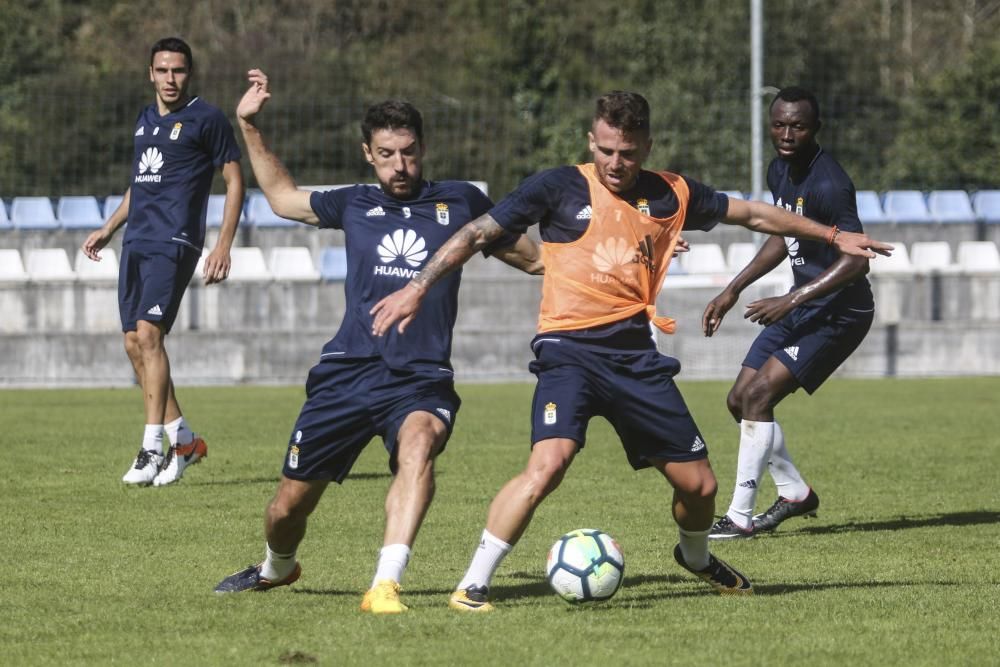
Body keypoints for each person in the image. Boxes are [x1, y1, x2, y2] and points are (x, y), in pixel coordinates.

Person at [370, 91, 891, 611]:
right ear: (590, 142)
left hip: (636, 360)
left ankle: (694, 557)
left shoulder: (672, 193)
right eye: (605, 151)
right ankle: (473, 583)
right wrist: (419, 285)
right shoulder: (557, 186)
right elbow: (478, 232)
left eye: (627, 153)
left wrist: (833, 234)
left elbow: (754, 215)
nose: (615, 164)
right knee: (548, 463)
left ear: (646, 146)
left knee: (700, 486)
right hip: (567, 352)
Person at [213, 70, 541, 613]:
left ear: (423, 149)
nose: (399, 165)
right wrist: (248, 125)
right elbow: (281, 197)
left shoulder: (461, 203)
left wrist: (621, 253)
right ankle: (277, 566)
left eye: (408, 153)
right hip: (347, 372)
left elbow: (535, 260)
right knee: (285, 509)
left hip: (421, 377)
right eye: (387, 154)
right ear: (368, 153)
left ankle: (385, 585)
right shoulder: (353, 204)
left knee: (418, 447)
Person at [703, 86, 874, 539]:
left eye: (797, 126)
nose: (786, 133)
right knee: (739, 400)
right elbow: (784, 235)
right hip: (803, 306)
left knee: (759, 398)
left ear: (815, 128)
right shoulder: (779, 169)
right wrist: (733, 289)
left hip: (840, 312)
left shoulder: (830, 183)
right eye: (779, 124)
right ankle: (795, 493)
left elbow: (856, 258)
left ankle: (739, 518)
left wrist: (790, 300)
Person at [81, 37, 244, 487]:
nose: (170, 79)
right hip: (136, 240)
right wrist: (109, 227)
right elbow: (140, 183)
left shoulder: (207, 119)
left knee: (150, 335)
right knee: (133, 343)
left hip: (175, 241)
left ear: (188, 74)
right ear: (150, 73)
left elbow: (234, 182)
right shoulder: (144, 120)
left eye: (178, 71)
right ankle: (185, 441)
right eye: (163, 70)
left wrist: (223, 245)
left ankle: (152, 447)